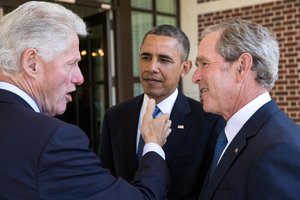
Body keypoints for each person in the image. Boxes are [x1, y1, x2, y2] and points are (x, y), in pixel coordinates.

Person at [0, 1, 172, 199]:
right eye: (71, 63)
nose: (80, 78)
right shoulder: (54, 140)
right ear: (32, 63)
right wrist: (153, 145)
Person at [99, 24, 225, 200]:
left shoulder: (208, 121)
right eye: (146, 57)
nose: (151, 67)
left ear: (185, 68)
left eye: (164, 60)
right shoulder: (115, 116)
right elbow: (106, 181)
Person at [192, 19, 300, 200]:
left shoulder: (279, 149)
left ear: (242, 67)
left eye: (204, 64)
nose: (195, 77)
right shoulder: (229, 135)